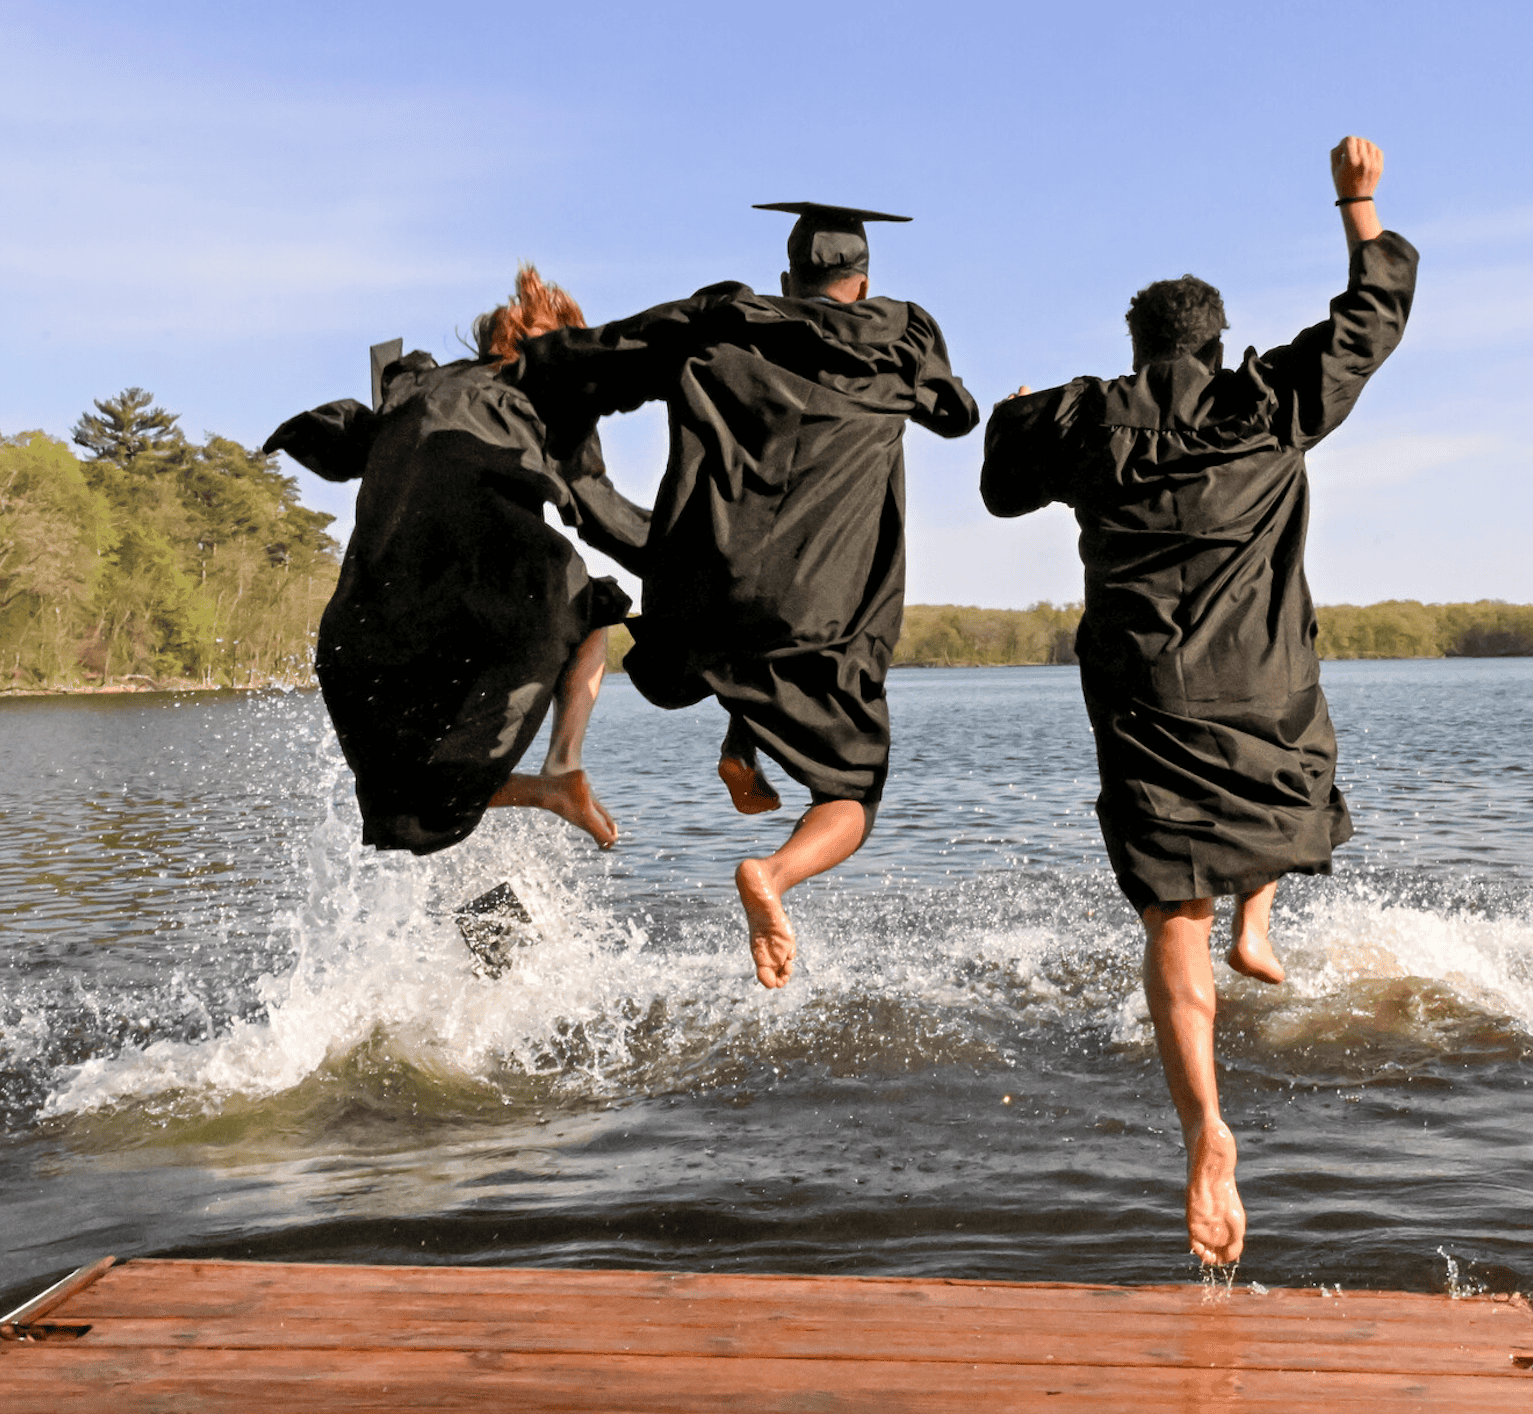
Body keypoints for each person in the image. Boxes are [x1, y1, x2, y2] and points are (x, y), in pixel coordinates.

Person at [979, 137, 1416, 1264]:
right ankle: (1260, 913)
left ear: (1134, 346)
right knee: (1295, 786)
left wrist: (1022, 413)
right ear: (1218, 345)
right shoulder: (1268, 402)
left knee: (1171, 921)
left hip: (1146, 705)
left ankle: (1205, 1130)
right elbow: (1372, 321)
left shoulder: (1086, 417)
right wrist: (1356, 202)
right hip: (1267, 692)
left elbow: (996, 480)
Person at [520, 203, 979, 987]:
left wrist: (527, 361)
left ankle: (741, 744)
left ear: (786, 279)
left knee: (741, 646)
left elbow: (602, 353)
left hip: (694, 602)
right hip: (815, 614)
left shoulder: (719, 318)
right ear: (862, 282)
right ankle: (774, 873)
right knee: (850, 789)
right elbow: (956, 415)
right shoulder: (901, 337)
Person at [265, 267, 651, 856]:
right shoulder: (542, 395)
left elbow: (344, 444)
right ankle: (561, 766)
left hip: (377, 621)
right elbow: (594, 503)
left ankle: (538, 804)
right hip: (490, 599)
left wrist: (302, 435)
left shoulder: (417, 391)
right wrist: (690, 563)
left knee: (410, 799)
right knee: (591, 606)